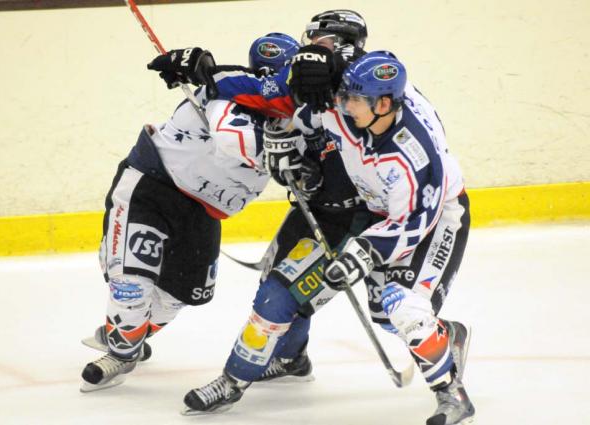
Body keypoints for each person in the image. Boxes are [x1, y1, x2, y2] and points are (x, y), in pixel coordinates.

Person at [182, 52, 476, 425]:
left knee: (403, 309)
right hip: (374, 213)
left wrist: (361, 255)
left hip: (435, 219)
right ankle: (235, 379)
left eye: (354, 99)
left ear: (383, 104)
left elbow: (413, 222)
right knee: (383, 316)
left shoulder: (412, 154)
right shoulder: (343, 108)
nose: (344, 103)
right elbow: (288, 112)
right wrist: (278, 138)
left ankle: (453, 394)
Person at [149, 10, 376, 386]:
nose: (307, 49)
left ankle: (442, 356)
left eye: (316, 41)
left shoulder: (370, 88)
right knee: (279, 285)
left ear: (340, 42)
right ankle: (287, 359)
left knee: (392, 307)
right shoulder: (301, 79)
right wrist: (202, 70)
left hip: (365, 215)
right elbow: (250, 85)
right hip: (320, 207)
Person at [79, 33, 299, 393]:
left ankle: (125, 334)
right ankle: (121, 350)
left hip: (204, 212)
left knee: (181, 295)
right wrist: (283, 151)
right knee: (132, 284)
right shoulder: (221, 96)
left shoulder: (294, 117)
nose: (268, 84)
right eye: (262, 75)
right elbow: (233, 139)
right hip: (153, 188)